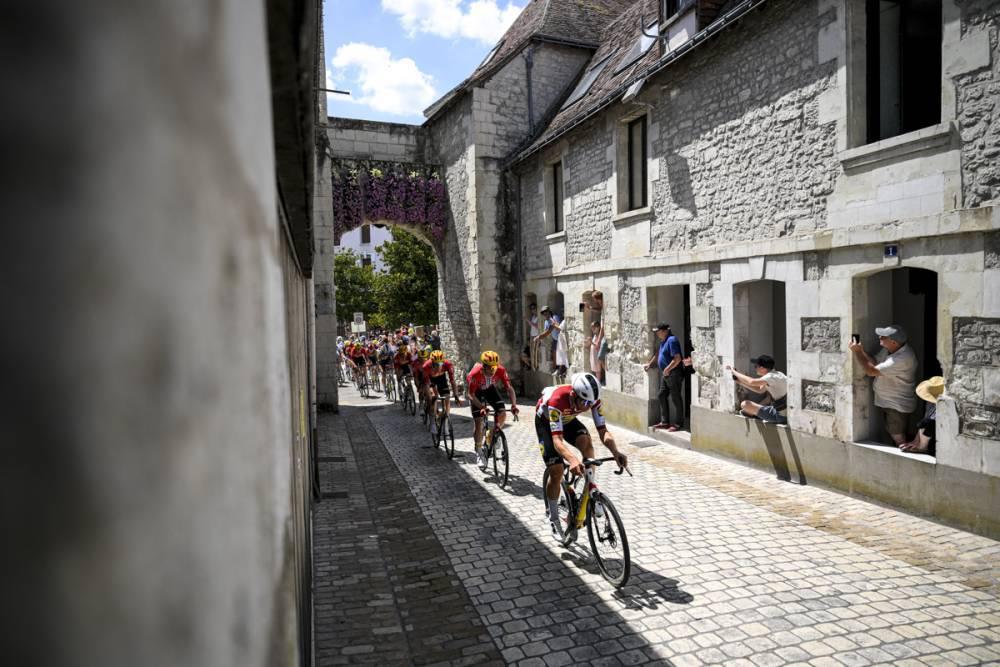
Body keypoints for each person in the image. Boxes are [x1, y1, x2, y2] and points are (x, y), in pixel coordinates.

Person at [536, 373, 628, 544]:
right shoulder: (558, 400)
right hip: (546, 422)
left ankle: (590, 492)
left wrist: (616, 452)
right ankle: (554, 519)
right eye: (584, 402)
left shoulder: (592, 399)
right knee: (556, 471)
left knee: (588, 445)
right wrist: (571, 459)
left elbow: (603, 431)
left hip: (568, 419)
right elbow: (557, 440)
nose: (587, 407)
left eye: (590, 403)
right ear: (573, 395)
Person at [849, 324, 916, 445]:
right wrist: (861, 350)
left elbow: (871, 371)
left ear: (894, 342)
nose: (879, 337)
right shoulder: (889, 349)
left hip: (896, 404)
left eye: (884, 336)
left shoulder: (902, 359)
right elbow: (874, 362)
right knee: (893, 432)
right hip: (888, 401)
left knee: (898, 436)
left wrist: (858, 352)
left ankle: (902, 456)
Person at [467, 351, 519, 467]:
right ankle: (479, 451)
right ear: (483, 366)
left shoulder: (500, 370)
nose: (492, 371)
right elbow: (470, 395)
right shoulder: (475, 373)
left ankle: (492, 434)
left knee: (502, 413)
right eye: (489, 368)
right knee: (479, 422)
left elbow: (509, 389)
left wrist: (514, 405)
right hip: (476, 393)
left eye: (494, 368)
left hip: (490, 389)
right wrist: (482, 407)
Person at [726, 354, 788, 424]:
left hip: (781, 416)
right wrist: (740, 382)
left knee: (744, 405)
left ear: (762, 368)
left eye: (756, 366)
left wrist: (734, 372)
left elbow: (751, 381)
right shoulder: (778, 374)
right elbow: (760, 390)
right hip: (782, 411)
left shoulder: (770, 377)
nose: (755, 368)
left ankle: (758, 415)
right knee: (746, 407)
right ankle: (757, 414)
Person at [644, 323, 684, 431]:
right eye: (656, 332)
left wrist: (668, 369)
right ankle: (665, 421)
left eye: (659, 331)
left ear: (665, 331)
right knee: (661, 395)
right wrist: (650, 364)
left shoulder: (672, 340)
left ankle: (678, 423)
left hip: (674, 374)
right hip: (666, 374)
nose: (657, 334)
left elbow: (677, 358)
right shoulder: (664, 341)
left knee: (676, 398)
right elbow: (658, 354)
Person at [901, 376, 943, 455]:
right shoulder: (930, 402)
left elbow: (929, 422)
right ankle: (920, 445)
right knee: (924, 422)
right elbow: (926, 418)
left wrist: (920, 444)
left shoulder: (943, 406)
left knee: (928, 423)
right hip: (930, 433)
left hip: (939, 434)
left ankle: (923, 447)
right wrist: (916, 441)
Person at [422, 350, 462, 434]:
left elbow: (453, 381)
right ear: (432, 362)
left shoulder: (448, 364)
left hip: (441, 380)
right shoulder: (426, 366)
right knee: (432, 397)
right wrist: (429, 396)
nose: (438, 367)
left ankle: (446, 423)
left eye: (440, 364)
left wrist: (456, 395)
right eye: (436, 364)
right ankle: (432, 421)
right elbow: (426, 383)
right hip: (431, 380)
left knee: (447, 398)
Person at [534, 306, 563, 372]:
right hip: (555, 339)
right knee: (554, 354)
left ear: (549, 312)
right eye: (543, 313)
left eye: (546, 312)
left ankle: (560, 370)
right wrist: (540, 337)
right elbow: (546, 331)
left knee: (560, 355)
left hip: (561, 339)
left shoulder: (555, 317)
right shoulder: (546, 321)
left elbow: (555, 328)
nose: (545, 314)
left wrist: (539, 337)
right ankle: (556, 369)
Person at [590, 320, 606, 385]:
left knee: (598, 369)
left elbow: (597, 346)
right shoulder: (595, 335)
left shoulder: (599, 336)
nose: (592, 329)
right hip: (594, 355)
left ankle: (598, 382)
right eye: (592, 327)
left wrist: (591, 342)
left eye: (594, 327)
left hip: (597, 355)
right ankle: (598, 381)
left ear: (598, 327)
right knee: (597, 369)